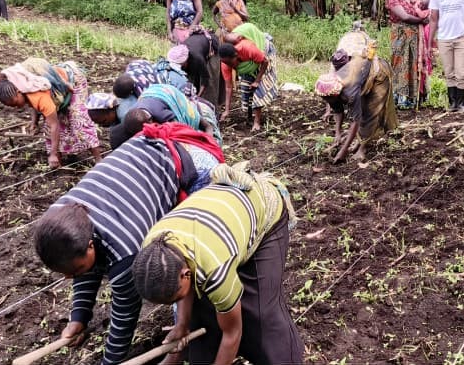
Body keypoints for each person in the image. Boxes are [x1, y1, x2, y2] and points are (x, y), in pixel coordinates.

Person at [32, 123, 224, 365]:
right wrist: (78, 318)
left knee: (188, 271)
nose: (69, 278)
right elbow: (83, 264)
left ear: (90, 245)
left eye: (75, 271)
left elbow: (124, 316)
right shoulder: (60, 216)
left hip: (192, 165)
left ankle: (193, 340)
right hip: (149, 158)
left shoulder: (125, 250)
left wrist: (110, 362)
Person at [132, 163, 303, 365]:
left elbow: (232, 333)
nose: (177, 302)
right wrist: (182, 325)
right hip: (219, 224)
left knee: (261, 313)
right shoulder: (152, 249)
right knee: (202, 312)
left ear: (186, 274)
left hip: (263, 210)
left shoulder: (215, 268)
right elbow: (185, 286)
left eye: (176, 297)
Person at [0, 58, 101, 167]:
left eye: (15, 103)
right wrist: (34, 122)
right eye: (12, 106)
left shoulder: (39, 96)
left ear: (19, 92)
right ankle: (58, 164)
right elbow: (33, 104)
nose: (16, 107)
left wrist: (53, 154)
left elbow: (54, 125)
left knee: (78, 120)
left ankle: (98, 159)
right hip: (53, 94)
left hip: (73, 81)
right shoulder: (23, 88)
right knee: (48, 127)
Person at [315, 43, 398, 164]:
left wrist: (343, 151)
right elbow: (338, 110)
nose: (326, 101)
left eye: (328, 99)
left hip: (379, 74)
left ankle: (362, 148)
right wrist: (337, 133)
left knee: (370, 112)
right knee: (362, 109)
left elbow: (356, 120)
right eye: (324, 99)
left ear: (336, 94)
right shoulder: (331, 90)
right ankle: (359, 141)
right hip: (362, 76)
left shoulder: (350, 92)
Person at [110, 83, 219, 149]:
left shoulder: (162, 115)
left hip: (169, 95)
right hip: (153, 95)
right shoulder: (132, 115)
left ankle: (208, 130)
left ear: (150, 120)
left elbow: (180, 130)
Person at [219, 23, 280, 131]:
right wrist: (227, 110)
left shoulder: (246, 48)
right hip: (250, 63)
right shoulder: (225, 64)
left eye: (231, 62)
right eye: (226, 63)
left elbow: (265, 62)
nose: (230, 66)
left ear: (236, 55)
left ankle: (257, 122)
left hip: (263, 56)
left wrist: (257, 80)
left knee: (258, 88)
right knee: (246, 88)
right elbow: (228, 87)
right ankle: (249, 116)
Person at [386, 0, 432, 109]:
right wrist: (422, 20)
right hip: (400, 36)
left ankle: (414, 97)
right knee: (400, 64)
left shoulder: (413, 0)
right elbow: (404, 17)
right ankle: (400, 97)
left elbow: (426, 6)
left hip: (415, 37)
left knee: (414, 64)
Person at [182, 29, 220, 106]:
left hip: (211, 48)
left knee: (210, 84)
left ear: (185, 60)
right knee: (192, 78)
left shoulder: (197, 58)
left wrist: (197, 97)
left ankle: (211, 107)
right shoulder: (179, 52)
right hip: (198, 48)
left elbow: (205, 79)